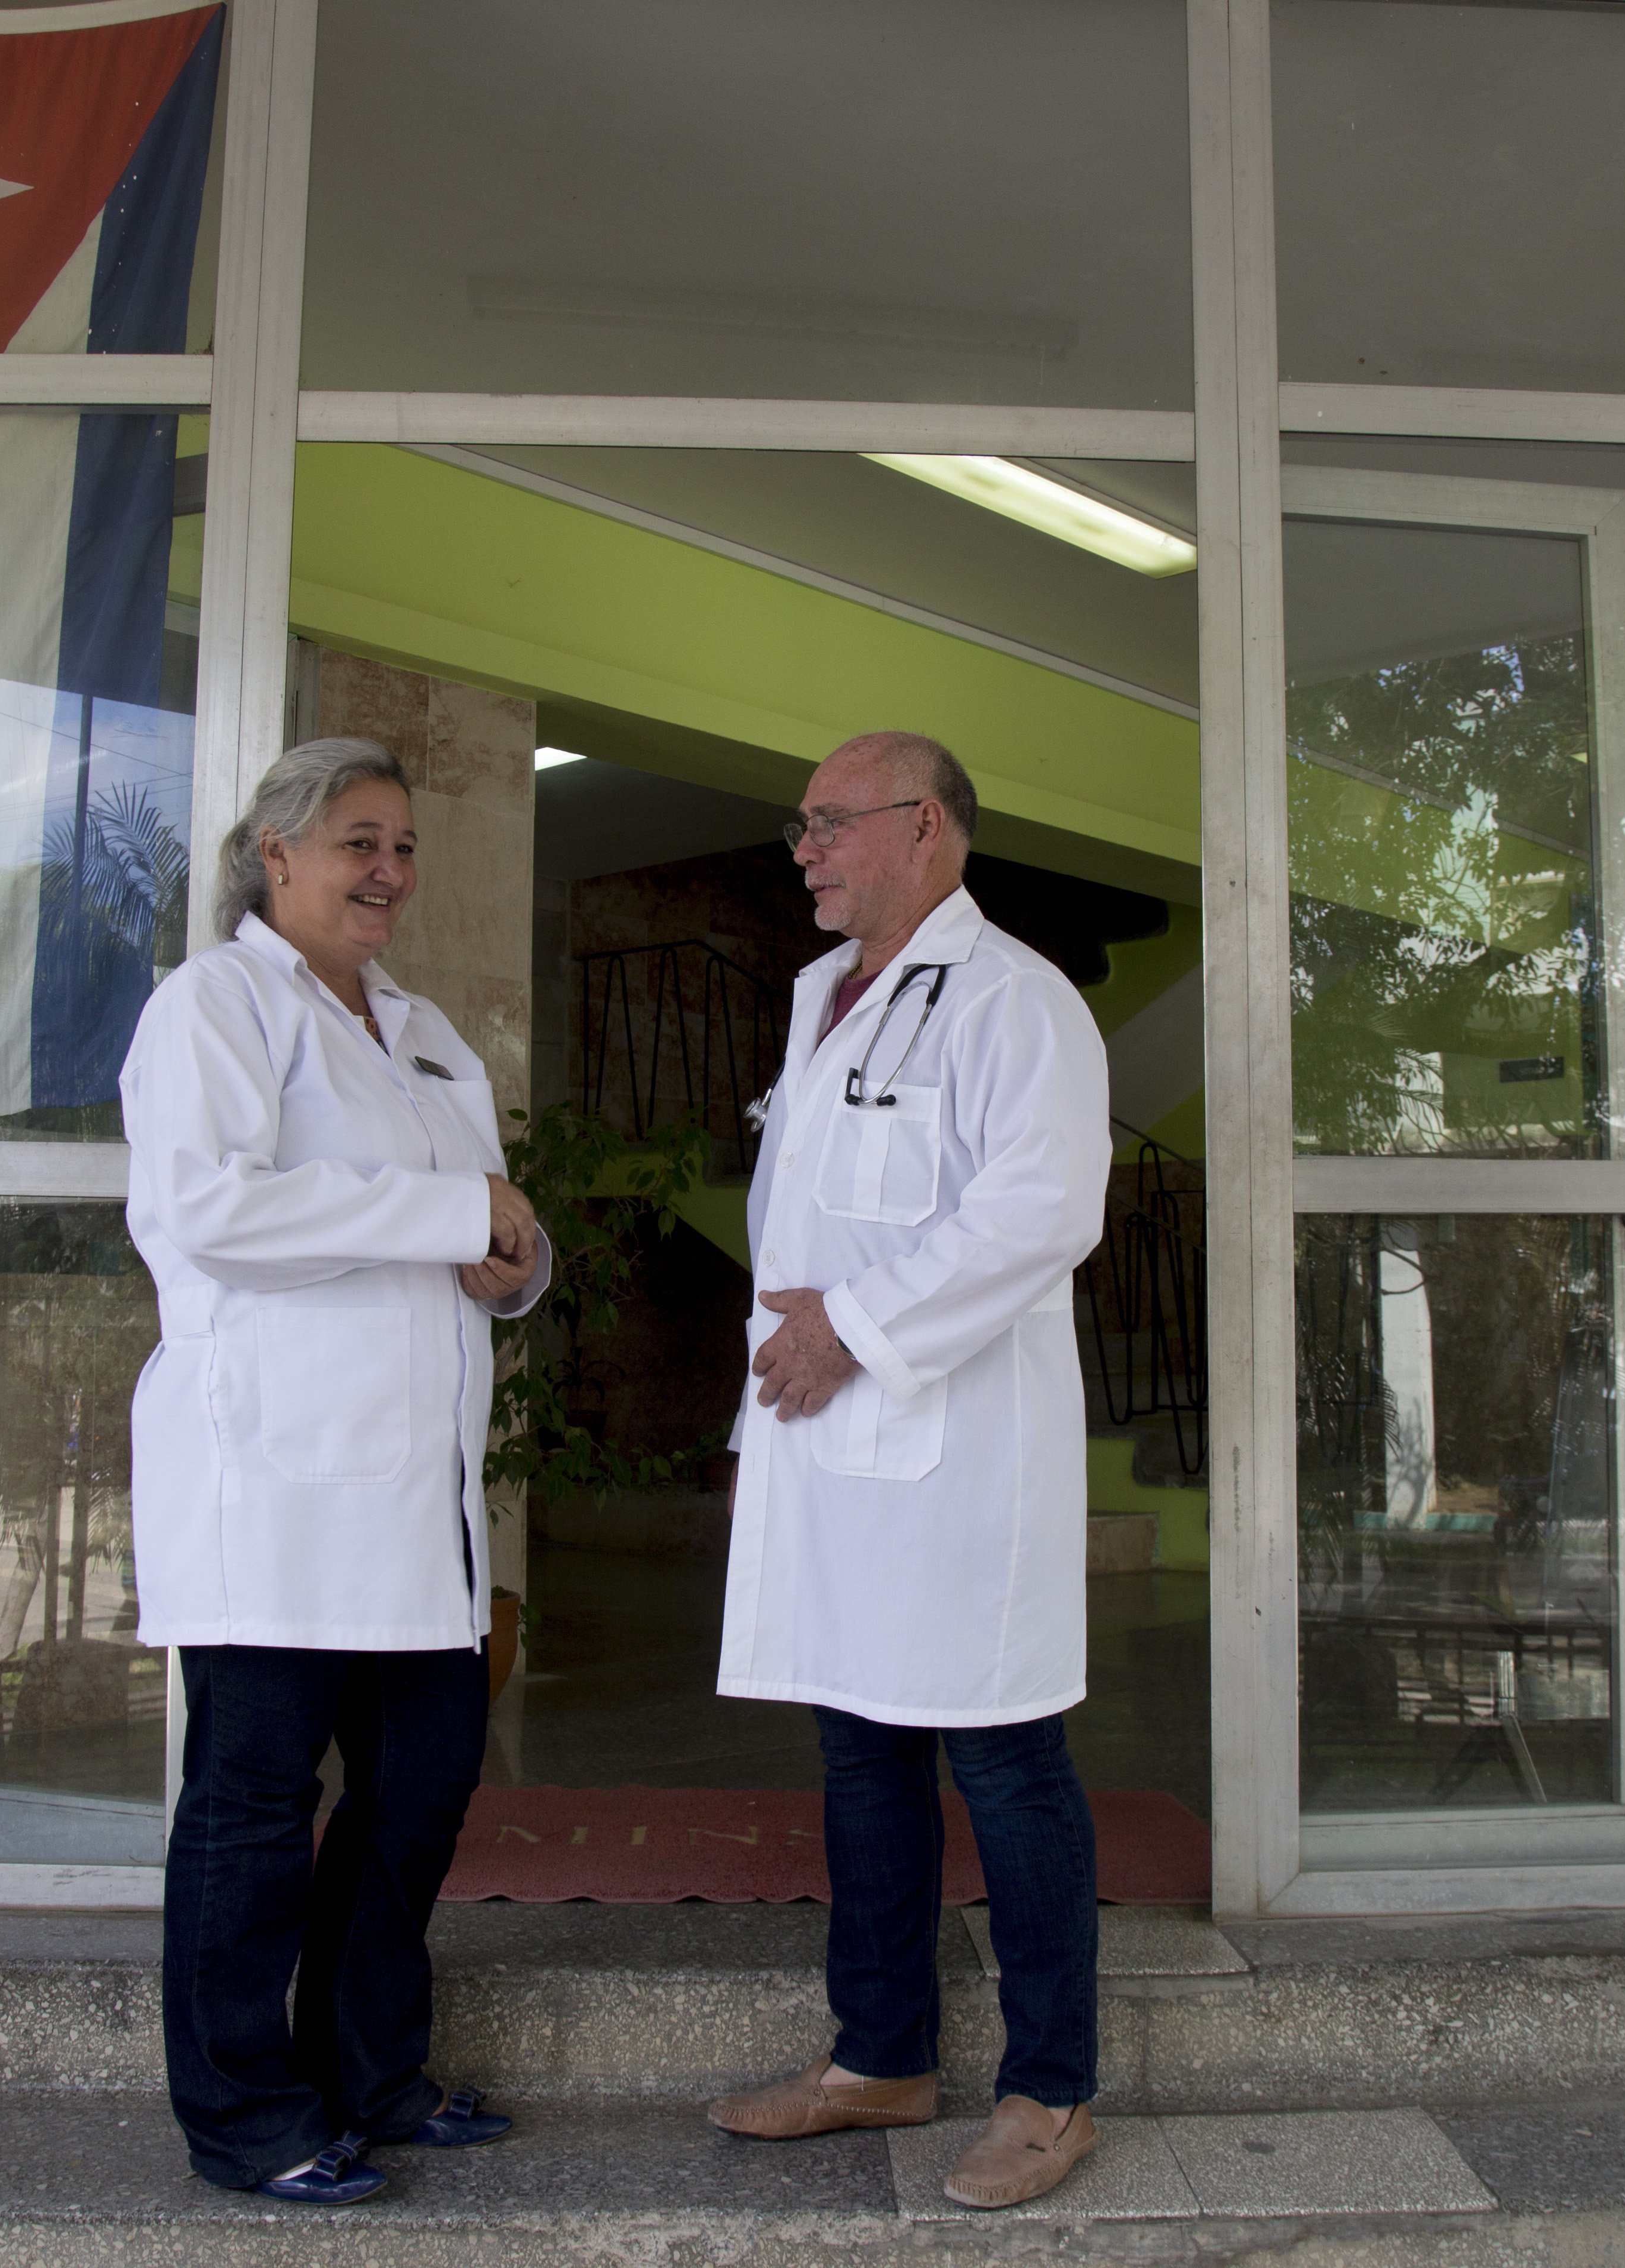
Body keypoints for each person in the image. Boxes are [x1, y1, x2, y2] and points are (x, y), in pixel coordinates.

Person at [121, 735, 551, 2206]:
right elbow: (218, 1210)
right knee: (251, 1811)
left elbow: (484, 1227)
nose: (388, 871)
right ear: (277, 854)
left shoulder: (425, 1029)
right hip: (279, 1494)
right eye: (358, 841)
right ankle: (246, 2116)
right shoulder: (214, 1007)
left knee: (418, 1792)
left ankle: (373, 2076)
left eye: (407, 847)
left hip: (416, 1505)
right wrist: (452, 1216)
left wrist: (512, 1265)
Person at [702, 731, 1114, 2211]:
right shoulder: (824, 998)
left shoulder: (1017, 1001)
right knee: (860, 1750)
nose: (802, 848)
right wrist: (803, 1380)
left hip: (954, 1457)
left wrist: (860, 1334)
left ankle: (1049, 2090)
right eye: (800, 825)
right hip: (831, 1449)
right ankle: (879, 2057)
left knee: (1005, 1758)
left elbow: (1043, 1210)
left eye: (828, 822)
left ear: (924, 824)